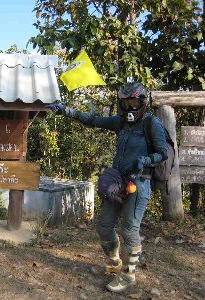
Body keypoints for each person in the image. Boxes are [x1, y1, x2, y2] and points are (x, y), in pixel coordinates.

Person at [46, 82, 168, 293]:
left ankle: (128, 274)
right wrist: (67, 110)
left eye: (134, 103)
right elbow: (93, 120)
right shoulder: (121, 123)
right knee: (104, 226)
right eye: (125, 103)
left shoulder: (151, 123)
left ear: (143, 102)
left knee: (129, 229)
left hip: (139, 183)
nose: (130, 108)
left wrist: (146, 160)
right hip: (117, 181)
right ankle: (114, 263)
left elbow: (163, 152)